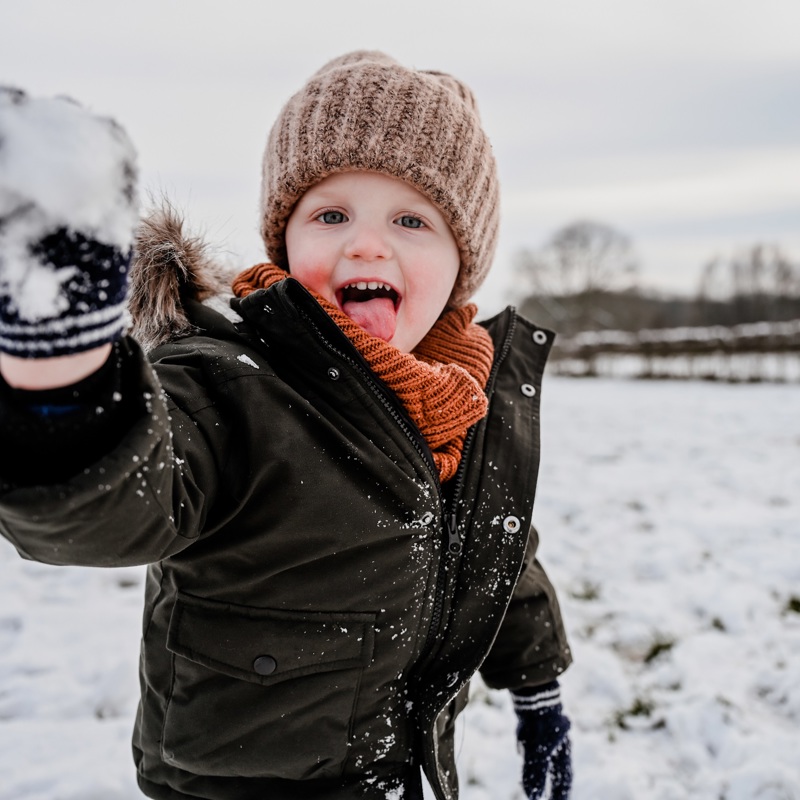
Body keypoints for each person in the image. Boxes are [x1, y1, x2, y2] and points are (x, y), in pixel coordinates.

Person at [0, 52, 572, 800]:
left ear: (463, 265)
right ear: (286, 241)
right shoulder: (228, 384)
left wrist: (538, 684)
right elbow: (111, 512)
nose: (367, 244)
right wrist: (60, 385)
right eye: (331, 215)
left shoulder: (466, 399)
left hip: (403, 778)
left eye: (411, 219)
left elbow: (495, 551)